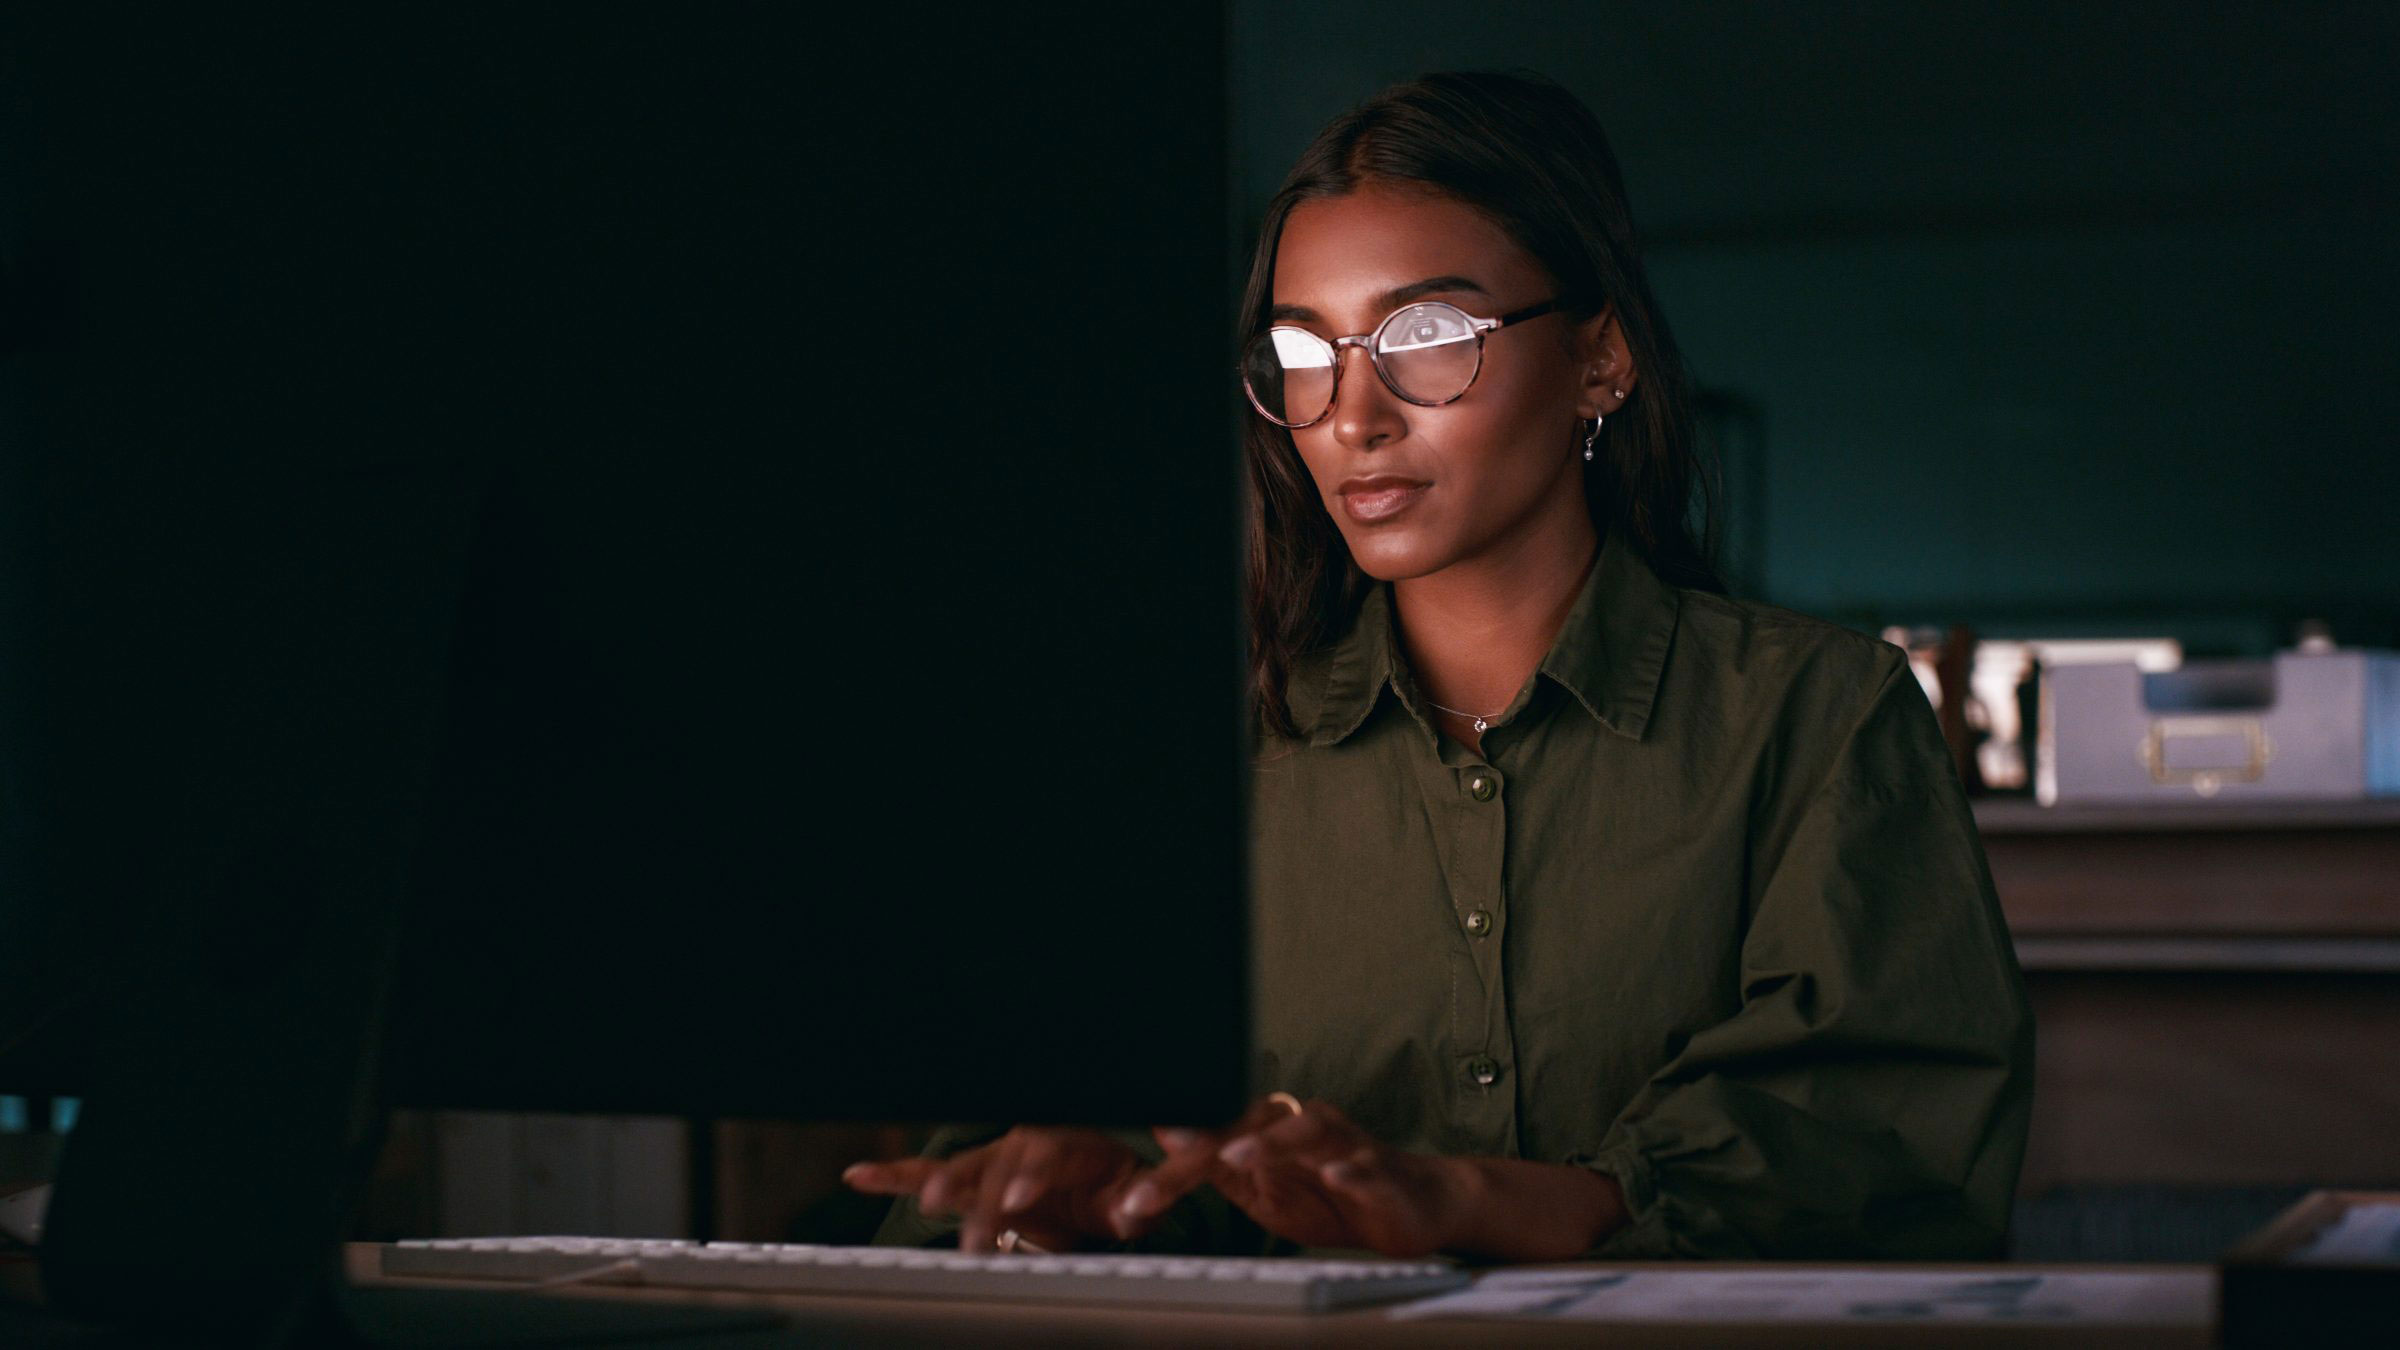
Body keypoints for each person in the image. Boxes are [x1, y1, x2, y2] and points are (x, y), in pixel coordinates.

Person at [844, 69, 2033, 1262]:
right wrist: (1076, 1205)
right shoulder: (1191, 766)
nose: (1353, 415)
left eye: (1427, 337)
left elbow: (1878, 1145)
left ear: (1600, 360)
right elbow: (1047, 1149)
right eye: (1302, 351)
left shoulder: (1816, 722)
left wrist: (1466, 1203)